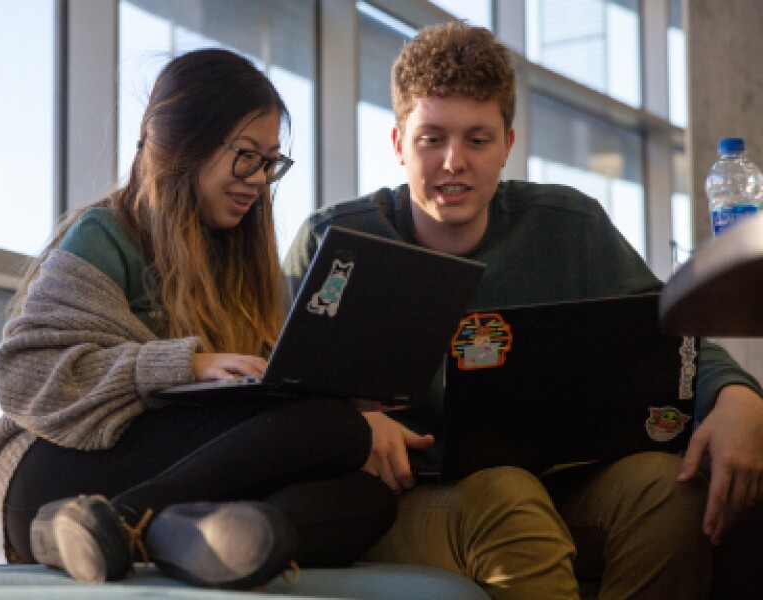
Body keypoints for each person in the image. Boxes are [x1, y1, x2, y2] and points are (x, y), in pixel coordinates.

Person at [283, 21, 763, 600]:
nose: (452, 162)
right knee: (509, 497)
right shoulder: (334, 241)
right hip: (404, 502)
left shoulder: (568, 224)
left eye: (477, 140)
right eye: (431, 139)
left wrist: (740, 397)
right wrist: (354, 424)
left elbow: (666, 337)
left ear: (508, 145)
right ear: (397, 144)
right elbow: (279, 396)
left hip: (561, 480)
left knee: (667, 489)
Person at [0, 48, 412, 591]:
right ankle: (125, 519)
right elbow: (26, 374)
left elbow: (243, 428)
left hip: (166, 485)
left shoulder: (240, 262)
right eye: (247, 155)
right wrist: (185, 365)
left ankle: (174, 537)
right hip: (56, 470)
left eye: (271, 161)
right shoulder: (107, 233)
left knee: (368, 499)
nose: (260, 178)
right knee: (335, 429)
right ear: (185, 144)